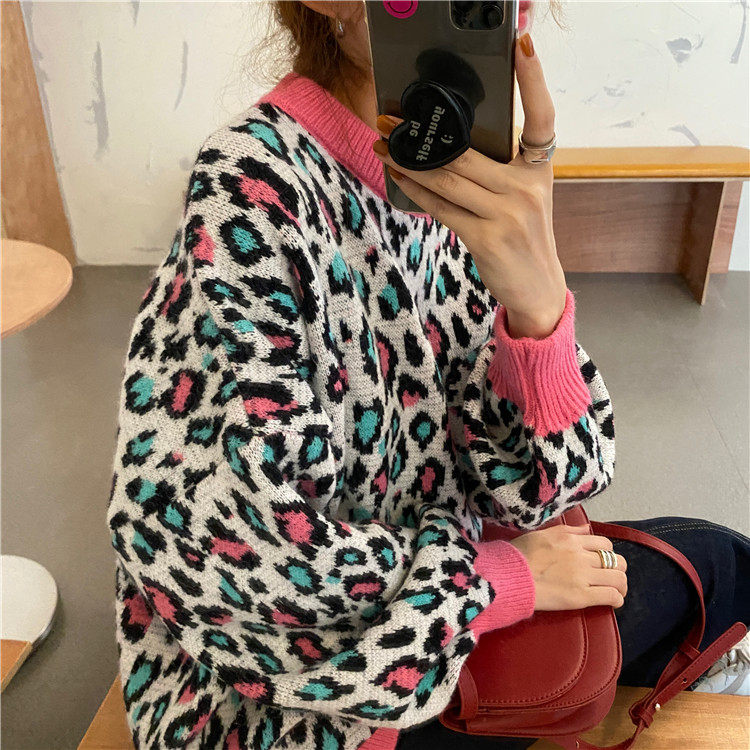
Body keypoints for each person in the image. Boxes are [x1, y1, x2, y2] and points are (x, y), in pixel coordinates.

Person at [106, 2, 749, 748]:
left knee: (714, 562)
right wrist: (490, 583)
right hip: (297, 708)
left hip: (427, 599)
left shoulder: (439, 165)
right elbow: (218, 554)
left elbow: (546, 489)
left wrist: (539, 310)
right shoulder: (250, 188)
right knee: (721, 571)